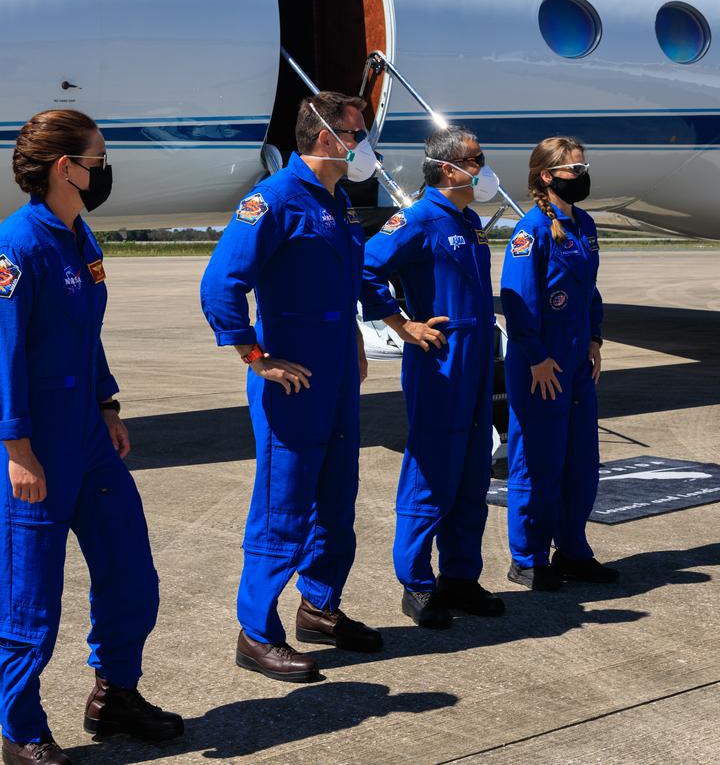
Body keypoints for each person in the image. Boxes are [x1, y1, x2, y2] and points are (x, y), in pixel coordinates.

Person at [0, 109, 182, 765]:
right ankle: (23, 731)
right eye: (98, 156)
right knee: (28, 602)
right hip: (33, 447)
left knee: (131, 575)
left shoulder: (80, 238)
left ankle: (115, 695)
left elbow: (86, 338)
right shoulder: (15, 247)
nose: (104, 167)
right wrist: (17, 450)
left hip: (89, 437)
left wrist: (108, 402)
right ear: (66, 167)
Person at [199, 91, 383, 683]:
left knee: (336, 499)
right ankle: (257, 632)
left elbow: (344, 283)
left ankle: (320, 608)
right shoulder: (273, 201)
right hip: (293, 382)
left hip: (336, 375)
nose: (363, 145)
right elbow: (221, 284)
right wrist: (255, 355)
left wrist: (355, 337)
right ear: (327, 137)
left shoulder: (339, 204)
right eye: (356, 133)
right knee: (284, 506)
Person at [360, 126, 507, 628]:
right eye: (476, 158)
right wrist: (404, 324)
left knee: (472, 471)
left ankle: (461, 577)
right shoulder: (418, 218)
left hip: (476, 357)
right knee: (430, 471)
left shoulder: (467, 221)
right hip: (440, 358)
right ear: (448, 168)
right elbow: (365, 269)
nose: (482, 166)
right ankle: (417, 583)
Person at [500, 136, 618, 592]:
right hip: (541, 365)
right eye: (574, 169)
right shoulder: (530, 231)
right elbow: (519, 301)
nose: (582, 175)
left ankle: (572, 550)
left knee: (581, 462)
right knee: (537, 463)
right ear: (547, 176)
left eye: (584, 165)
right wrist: (536, 358)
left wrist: (594, 338)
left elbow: (589, 290)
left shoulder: (584, 224)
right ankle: (527, 558)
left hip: (576, 361)